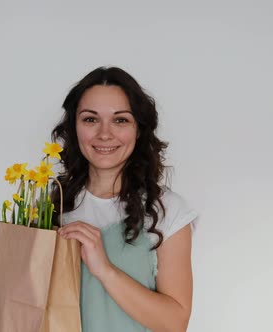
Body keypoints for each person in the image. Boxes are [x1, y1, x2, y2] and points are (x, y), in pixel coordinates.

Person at [51, 66, 198, 332]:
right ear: (74, 127)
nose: (104, 134)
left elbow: (175, 323)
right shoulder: (53, 205)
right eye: (90, 119)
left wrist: (104, 269)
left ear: (139, 130)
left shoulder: (166, 211)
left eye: (120, 120)